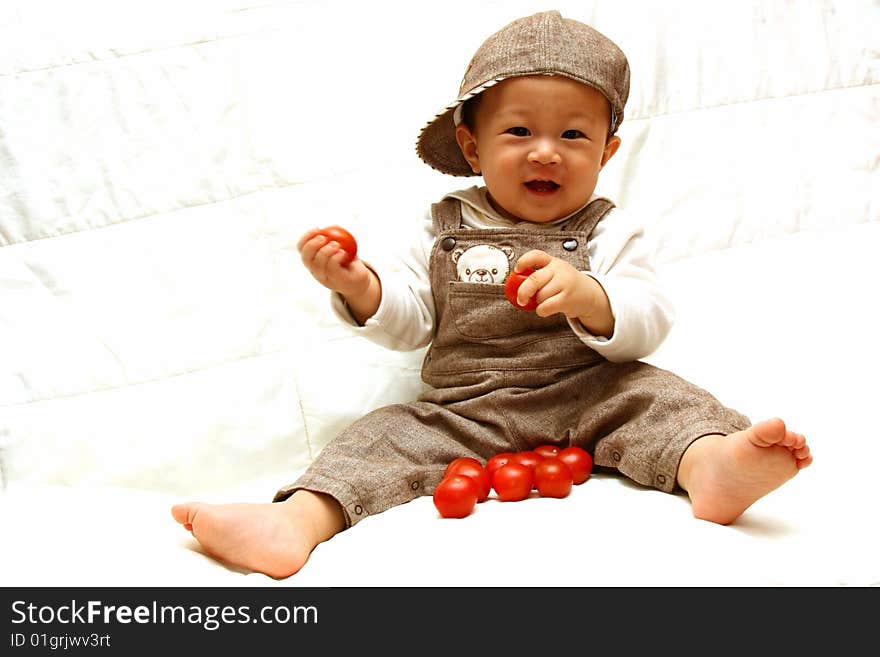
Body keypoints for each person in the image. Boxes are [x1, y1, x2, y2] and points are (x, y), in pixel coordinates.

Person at [171, 10, 812, 579]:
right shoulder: (440, 224)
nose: (546, 153)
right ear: (473, 146)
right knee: (377, 438)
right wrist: (361, 289)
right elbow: (411, 320)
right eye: (517, 133)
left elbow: (649, 318)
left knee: (666, 400)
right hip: (464, 406)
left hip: (593, 391)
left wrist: (593, 297)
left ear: (607, 151)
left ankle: (711, 470)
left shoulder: (609, 228)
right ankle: (296, 523)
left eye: (573, 136)